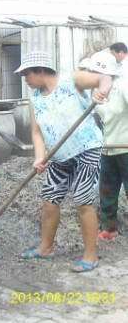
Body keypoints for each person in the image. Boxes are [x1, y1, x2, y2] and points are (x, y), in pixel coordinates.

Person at [15, 51, 111, 273]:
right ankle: (45, 248)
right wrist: (40, 157)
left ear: (40, 71)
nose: (25, 79)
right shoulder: (36, 98)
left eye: (27, 74)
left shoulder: (72, 80)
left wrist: (101, 92)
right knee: (49, 200)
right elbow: (37, 132)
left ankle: (90, 255)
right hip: (58, 157)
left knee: (83, 201)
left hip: (87, 149)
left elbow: (103, 79)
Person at [84, 51, 128, 241]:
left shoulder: (123, 86)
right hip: (108, 148)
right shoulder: (96, 93)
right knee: (107, 190)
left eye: (94, 72)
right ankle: (109, 228)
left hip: (126, 147)